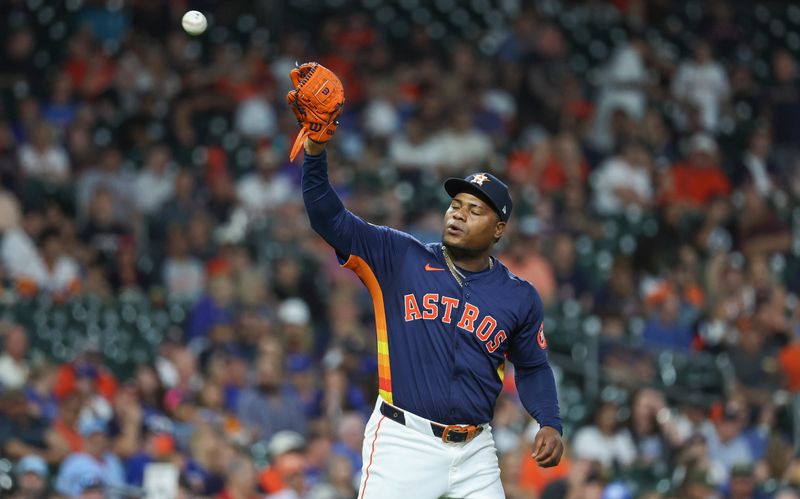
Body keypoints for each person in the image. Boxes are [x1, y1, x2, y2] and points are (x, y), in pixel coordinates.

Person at [292, 62, 563, 498]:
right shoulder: (399, 256)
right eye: (456, 203)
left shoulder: (518, 296)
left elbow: (532, 365)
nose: (458, 213)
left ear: (498, 230)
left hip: (475, 448)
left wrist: (549, 420)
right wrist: (317, 151)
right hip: (404, 441)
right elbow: (328, 217)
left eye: (475, 210)